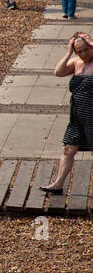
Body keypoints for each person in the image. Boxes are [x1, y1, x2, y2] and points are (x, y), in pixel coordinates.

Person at [47, 32, 93, 193]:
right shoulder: (75, 62)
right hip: (78, 115)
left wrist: (91, 42)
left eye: (85, 50)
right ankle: (58, 184)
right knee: (68, 149)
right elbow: (58, 72)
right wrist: (68, 53)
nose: (83, 54)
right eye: (79, 51)